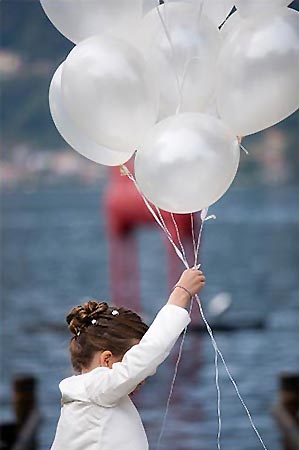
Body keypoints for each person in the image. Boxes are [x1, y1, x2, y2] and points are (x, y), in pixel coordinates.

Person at [50, 268, 206, 450]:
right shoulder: (96, 388)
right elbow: (148, 353)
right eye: (134, 363)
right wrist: (181, 294)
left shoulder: (86, 399)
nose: (143, 378)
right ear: (107, 361)